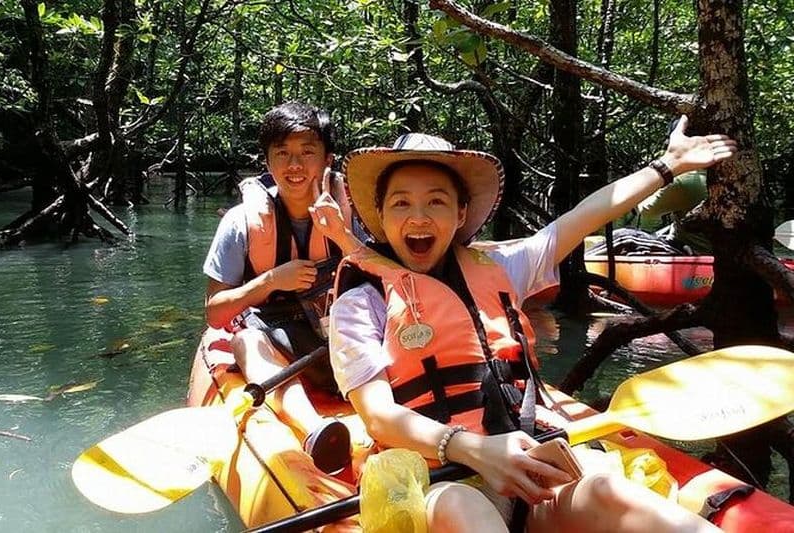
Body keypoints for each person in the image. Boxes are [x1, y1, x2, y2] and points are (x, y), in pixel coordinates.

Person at [328, 117, 736, 532]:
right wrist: (471, 449)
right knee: (461, 506)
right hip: (439, 475)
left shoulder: (502, 268)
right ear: (380, 213)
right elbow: (377, 416)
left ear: (461, 212)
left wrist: (668, 166)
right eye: (401, 203)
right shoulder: (361, 300)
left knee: (606, 491)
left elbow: (583, 216)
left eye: (436, 201)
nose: (418, 217)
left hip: (533, 458)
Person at [203, 102, 363, 474]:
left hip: (344, 336)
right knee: (244, 340)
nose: (295, 165)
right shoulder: (240, 222)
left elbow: (390, 279)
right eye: (283, 154)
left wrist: (343, 236)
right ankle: (314, 431)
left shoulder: (355, 212)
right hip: (278, 342)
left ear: (328, 160)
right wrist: (271, 280)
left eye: (308, 153)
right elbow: (215, 312)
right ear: (268, 160)